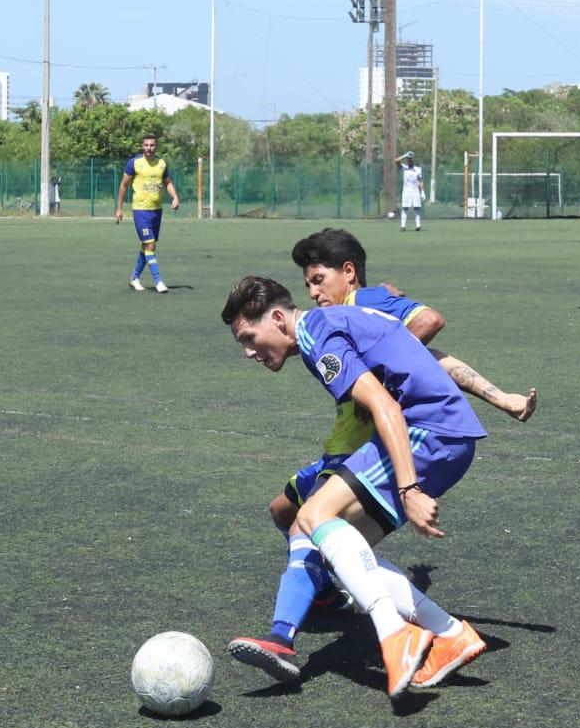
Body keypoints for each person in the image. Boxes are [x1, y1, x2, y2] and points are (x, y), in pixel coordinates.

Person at [228, 228, 536, 685]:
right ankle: (450, 634)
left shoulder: (317, 333)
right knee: (342, 548)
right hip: (448, 435)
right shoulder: (336, 322)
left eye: (249, 337)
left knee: (313, 516)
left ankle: (395, 633)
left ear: (276, 318)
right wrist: (499, 397)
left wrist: (409, 488)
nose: (250, 352)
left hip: (427, 431)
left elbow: (387, 404)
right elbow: (426, 357)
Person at [113, 134, 179, 293]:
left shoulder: (162, 164)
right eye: (146, 145)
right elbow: (123, 185)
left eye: (152, 145)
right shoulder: (134, 163)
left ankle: (135, 278)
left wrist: (175, 197)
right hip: (140, 211)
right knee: (150, 244)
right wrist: (119, 208)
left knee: (147, 246)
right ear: (142, 147)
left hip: (157, 211)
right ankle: (159, 281)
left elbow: (168, 183)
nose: (149, 148)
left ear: (156, 146)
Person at [396, 151, 425, 231]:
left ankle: (418, 225)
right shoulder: (404, 168)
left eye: (411, 159)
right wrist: (405, 155)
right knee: (405, 208)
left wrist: (422, 191)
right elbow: (396, 161)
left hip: (415, 191)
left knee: (417, 208)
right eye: (408, 159)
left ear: (413, 160)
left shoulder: (418, 169)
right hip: (406, 191)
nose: (409, 161)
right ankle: (403, 226)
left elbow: (420, 181)